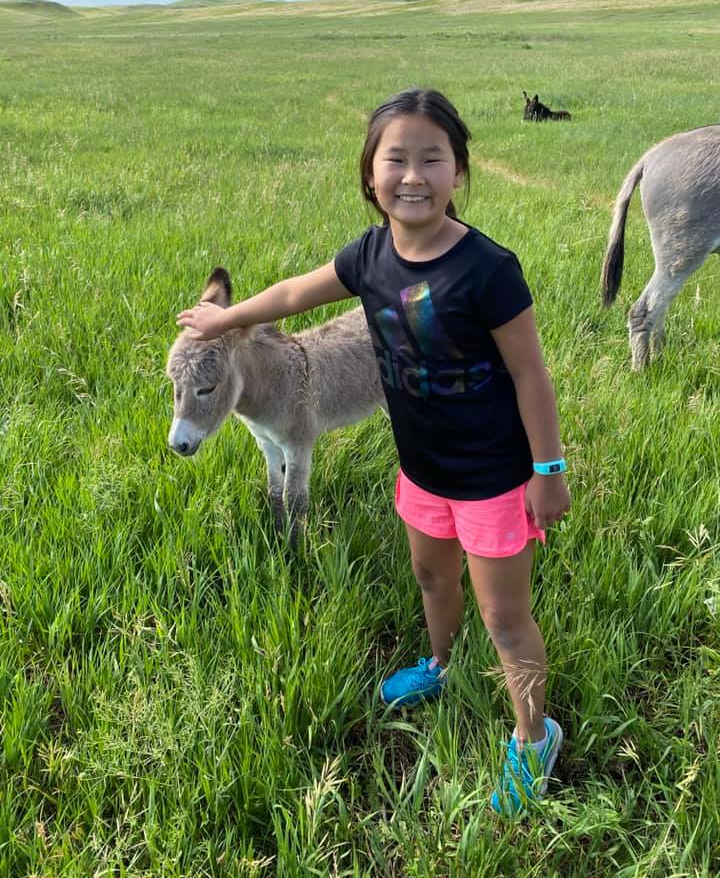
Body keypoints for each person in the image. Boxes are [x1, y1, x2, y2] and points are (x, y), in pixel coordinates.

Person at [176, 88, 571, 816]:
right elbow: (296, 293)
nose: (413, 175)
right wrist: (225, 318)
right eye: (397, 158)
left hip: (492, 477)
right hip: (423, 470)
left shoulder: (489, 269)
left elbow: (529, 373)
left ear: (459, 173)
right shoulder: (369, 255)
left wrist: (548, 469)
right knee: (430, 579)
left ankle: (532, 735)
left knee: (505, 618)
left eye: (433, 158)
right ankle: (441, 666)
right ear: (370, 175)